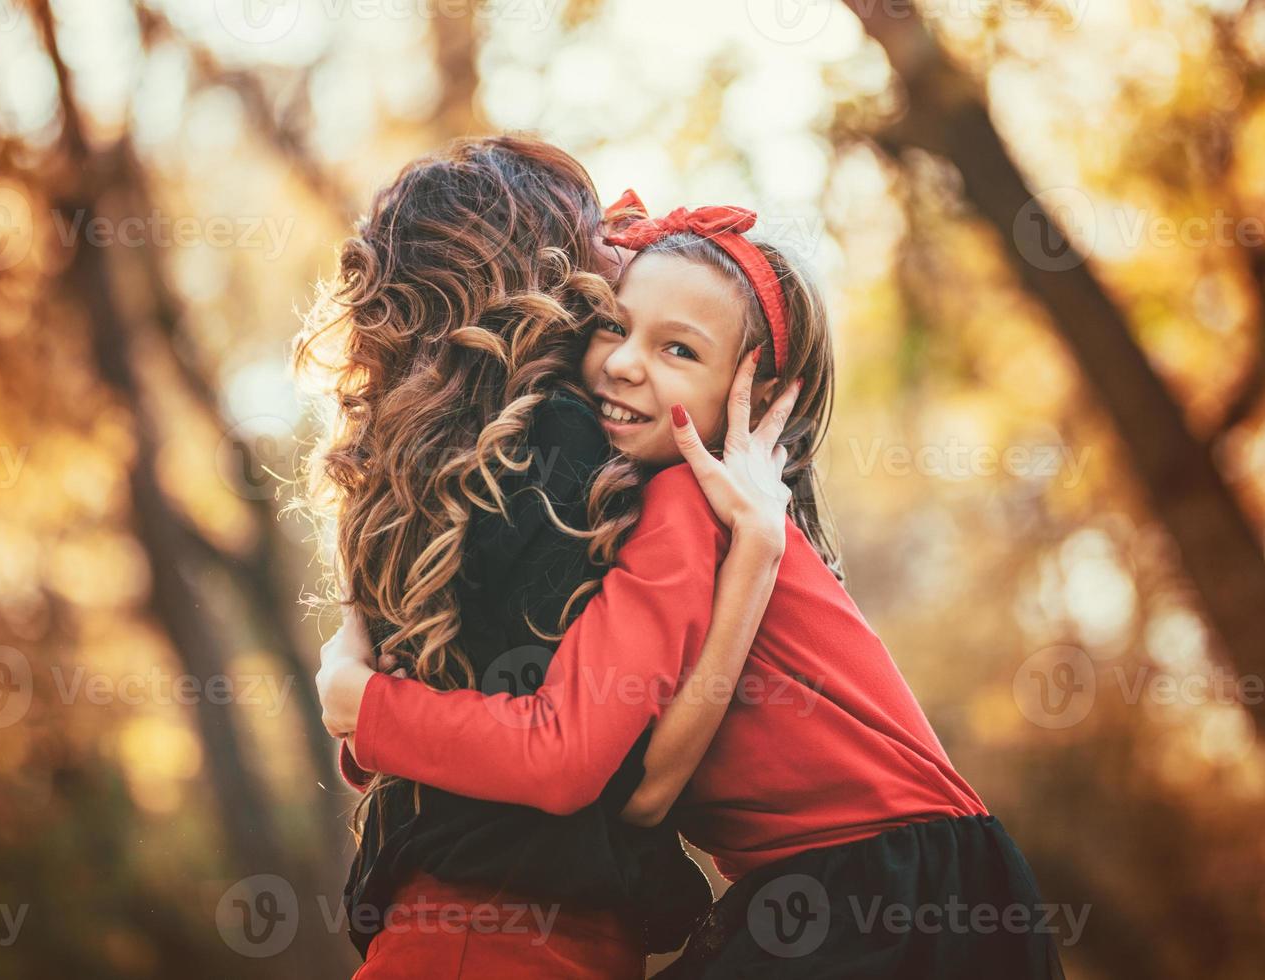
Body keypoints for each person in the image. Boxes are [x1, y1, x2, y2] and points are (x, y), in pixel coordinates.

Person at [320, 193, 1066, 978]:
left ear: (762, 399)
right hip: (924, 881)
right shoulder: (691, 512)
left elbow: (606, 775)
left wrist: (368, 711)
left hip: (884, 892)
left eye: (679, 351)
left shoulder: (683, 501)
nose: (624, 362)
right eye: (613, 323)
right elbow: (630, 769)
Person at [302, 144, 798, 977]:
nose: (621, 246)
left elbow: (407, 713)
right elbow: (573, 757)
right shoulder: (577, 449)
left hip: (445, 930)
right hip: (503, 942)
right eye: (596, 233)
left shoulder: (410, 466)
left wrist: (366, 717)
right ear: (546, 269)